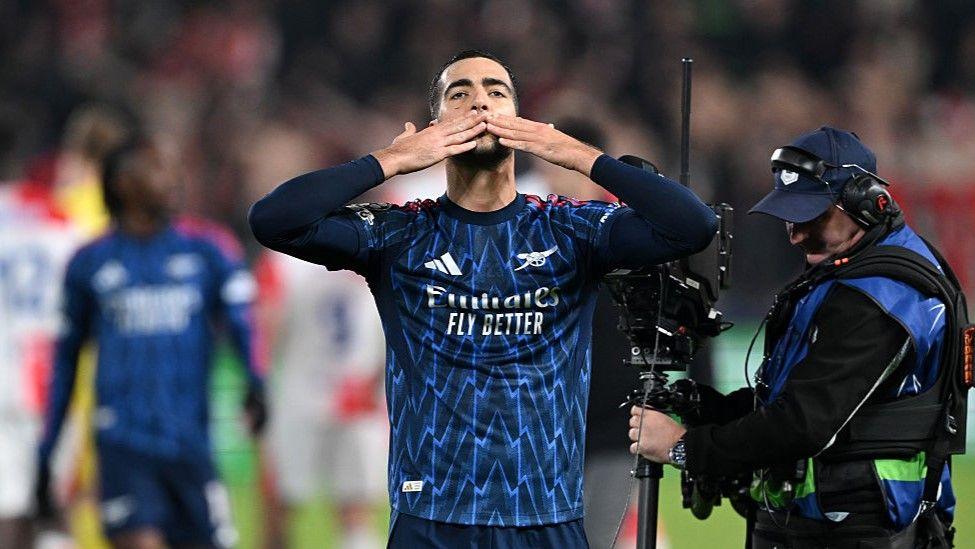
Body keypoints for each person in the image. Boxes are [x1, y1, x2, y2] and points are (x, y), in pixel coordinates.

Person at [249, 49, 718, 547]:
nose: (480, 104)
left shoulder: (571, 229)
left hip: (546, 517)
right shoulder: (399, 236)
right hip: (431, 516)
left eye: (497, 93)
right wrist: (391, 161)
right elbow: (273, 220)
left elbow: (693, 226)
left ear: (520, 121)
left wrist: (574, 152)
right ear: (435, 126)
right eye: (460, 94)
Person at [628, 127, 959, 548]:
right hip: (823, 522)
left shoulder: (882, 297)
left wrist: (684, 447)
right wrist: (707, 408)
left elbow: (804, 423)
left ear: (864, 202)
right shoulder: (848, 273)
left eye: (810, 216)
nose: (796, 234)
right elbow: (797, 399)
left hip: (860, 529)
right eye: (790, 215)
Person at [36, 137, 267, 549]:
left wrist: (256, 381)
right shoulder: (90, 262)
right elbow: (65, 362)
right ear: (123, 183)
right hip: (123, 443)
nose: (172, 178)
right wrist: (47, 450)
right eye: (157, 168)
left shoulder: (208, 250)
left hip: (191, 444)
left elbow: (241, 324)